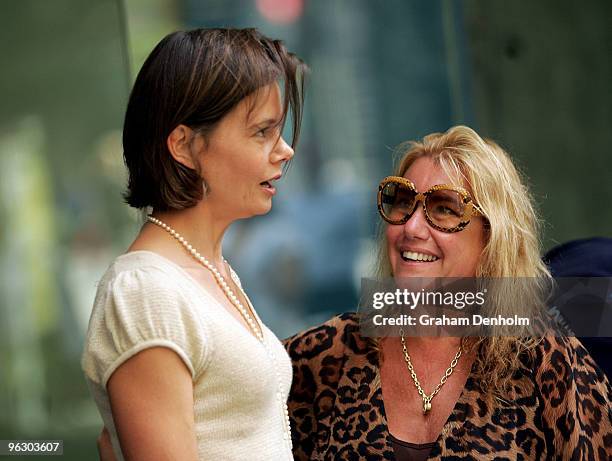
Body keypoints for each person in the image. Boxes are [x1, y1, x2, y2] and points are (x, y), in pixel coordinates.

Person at [284, 126, 612, 460]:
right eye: (401, 202)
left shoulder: (545, 358)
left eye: (444, 209)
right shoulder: (327, 355)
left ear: (492, 236)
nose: (411, 227)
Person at [81, 28, 305, 461]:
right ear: (184, 145)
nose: (285, 151)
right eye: (262, 133)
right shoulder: (145, 292)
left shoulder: (209, 268)